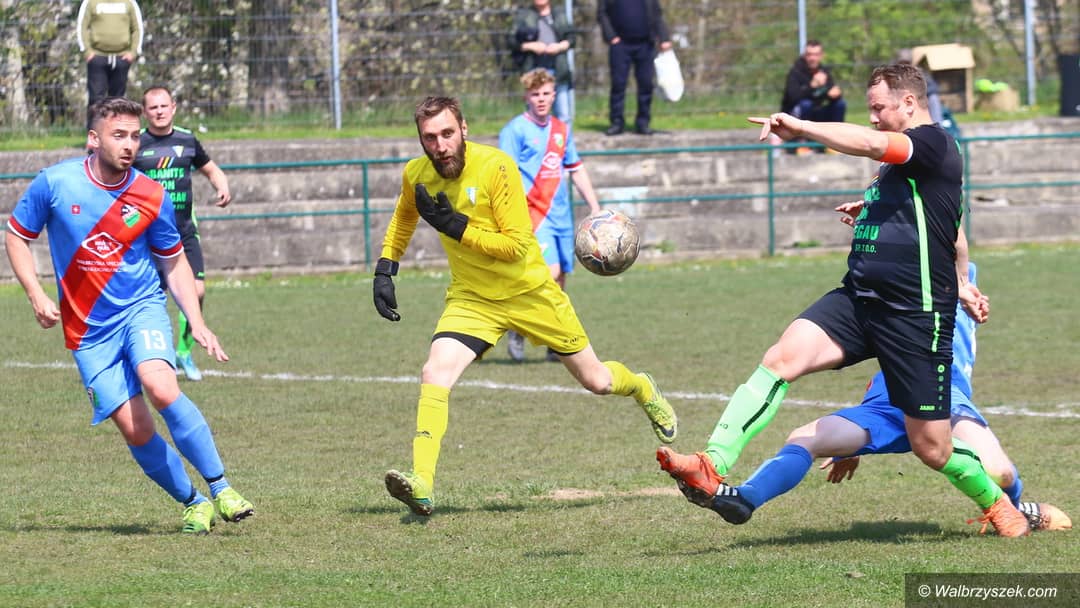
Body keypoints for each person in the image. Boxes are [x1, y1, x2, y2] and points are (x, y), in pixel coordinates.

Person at [657, 63, 1032, 537]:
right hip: (859, 299)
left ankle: (997, 503)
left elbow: (914, 188)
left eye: (879, 107)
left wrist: (802, 127)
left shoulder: (934, 143)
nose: (873, 117)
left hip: (913, 316)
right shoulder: (897, 169)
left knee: (932, 447)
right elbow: (926, 217)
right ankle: (713, 461)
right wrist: (873, 208)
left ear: (909, 103)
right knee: (781, 359)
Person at [373, 95, 677, 516]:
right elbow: (404, 215)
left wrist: (458, 228)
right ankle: (421, 482)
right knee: (434, 372)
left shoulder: (496, 167)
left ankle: (642, 387)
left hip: (530, 293)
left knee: (598, 381)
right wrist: (386, 267)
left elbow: (515, 246)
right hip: (473, 298)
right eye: (430, 138)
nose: (440, 145)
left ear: (464, 129)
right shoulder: (416, 174)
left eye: (447, 133)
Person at [5, 97, 253, 535]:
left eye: (135, 136)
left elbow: (172, 260)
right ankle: (193, 503)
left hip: (141, 308)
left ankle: (222, 488)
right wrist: (35, 294)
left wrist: (196, 322)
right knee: (135, 430)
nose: (129, 144)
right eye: (118, 135)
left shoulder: (149, 194)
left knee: (161, 386)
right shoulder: (55, 183)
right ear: (93, 138)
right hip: (87, 330)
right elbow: (16, 235)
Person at [672, 262, 1072, 534]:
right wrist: (852, 448)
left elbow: (953, 238)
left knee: (1000, 473)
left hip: (944, 404)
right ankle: (745, 499)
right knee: (805, 437)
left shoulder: (953, 296)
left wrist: (963, 285)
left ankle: (1015, 509)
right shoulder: (896, 297)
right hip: (885, 404)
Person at [498, 68, 602, 362]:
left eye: (546, 93)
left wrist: (594, 206)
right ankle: (518, 325)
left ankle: (554, 342)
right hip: (533, 215)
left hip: (561, 217)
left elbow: (575, 168)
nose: (541, 99)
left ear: (554, 95)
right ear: (526, 96)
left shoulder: (560, 130)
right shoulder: (515, 131)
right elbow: (503, 175)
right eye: (535, 94)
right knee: (550, 272)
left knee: (561, 280)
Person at [134, 85, 233, 382]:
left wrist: (222, 185)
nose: (159, 111)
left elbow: (211, 169)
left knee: (197, 291)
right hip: (147, 234)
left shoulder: (187, 139)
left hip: (184, 231)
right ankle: (154, 354)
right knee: (153, 298)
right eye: (153, 107)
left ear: (173, 107)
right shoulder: (137, 143)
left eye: (164, 106)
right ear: (145, 112)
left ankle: (184, 351)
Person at [597, 0, 672, 136]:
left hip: (646, 44)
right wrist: (611, 37)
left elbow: (656, 14)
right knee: (618, 84)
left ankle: (643, 123)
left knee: (646, 84)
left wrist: (664, 37)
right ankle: (617, 123)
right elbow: (602, 13)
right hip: (620, 45)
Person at [77, 0, 144, 123]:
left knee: (119, 100)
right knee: (96, 99)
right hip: (97, 57)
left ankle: (117, 131)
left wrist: (133, 52)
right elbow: (82, 26)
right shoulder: (90, 2)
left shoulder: (129, 2)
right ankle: (94, 131)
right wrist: (87, 52)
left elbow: (137, 28)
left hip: (122, 58)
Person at [510, 0, 576, 123]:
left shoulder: (559, 14)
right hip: (533, 71)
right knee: (534, 117)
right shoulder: (524, 15)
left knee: (563, 115)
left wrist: (559, 47)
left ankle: (563, 136)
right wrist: (530, 46)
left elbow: (572, 38)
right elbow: (512, 41)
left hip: (559, 70)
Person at [780, 40, 846, 153]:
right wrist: (812, 86)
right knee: (806, 105)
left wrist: (835, 94)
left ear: (821, 55)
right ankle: (802, 144)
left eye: (816, 54)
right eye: (809, 54)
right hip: (796, 115)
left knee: (840, 104)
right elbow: (793, 98)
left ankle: (835, 143)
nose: (812, 58)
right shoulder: (796, 72)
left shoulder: (823, 71)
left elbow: (831, 94)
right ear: (805, 55)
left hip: (816, 113)